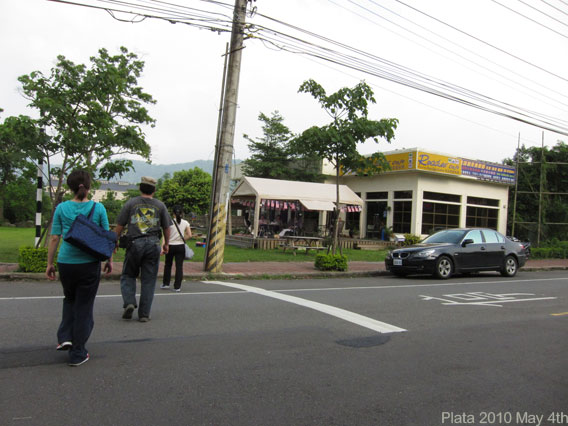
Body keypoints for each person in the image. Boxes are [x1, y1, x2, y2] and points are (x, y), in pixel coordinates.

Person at [45, 170, 113, 367]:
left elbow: (55, 237)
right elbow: (105, 236)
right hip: (89, 264)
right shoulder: (98, 208)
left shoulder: (61, 208)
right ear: (89, 186)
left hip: (66, 263)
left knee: (70, 299)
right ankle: (78, 352)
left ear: (70, 187)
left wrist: (50, 263)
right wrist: (108, 260)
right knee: (84, 306)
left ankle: (65, 336)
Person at [114, 176, 171, 322]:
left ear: (140, 188)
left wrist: (114, 241)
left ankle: (129, 302)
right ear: (154, 190)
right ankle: (144, 314)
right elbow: (166, 227)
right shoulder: (160, 205)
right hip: (153, 245)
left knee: (128, 275)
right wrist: (166, 244)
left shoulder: (131, 203)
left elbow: (119, 225)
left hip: (134, 244)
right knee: (149, 280)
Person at [161, 205, 192, 292]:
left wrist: (163, 246)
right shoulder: (186, 223)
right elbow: (189, 235)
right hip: (180, 246)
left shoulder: (169, 222)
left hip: (170, 245)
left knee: (168, 265)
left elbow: (165, 235)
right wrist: (182, 239)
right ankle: (177, 287)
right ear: (181, 213)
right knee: (179, 266)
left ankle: (166, 283)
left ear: (173, 213)